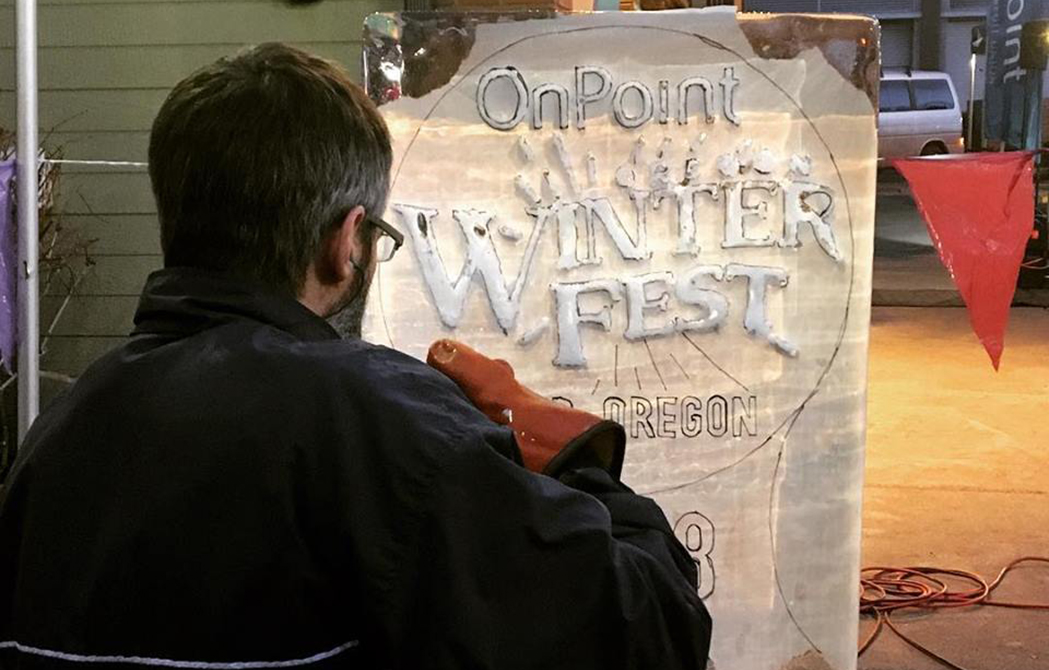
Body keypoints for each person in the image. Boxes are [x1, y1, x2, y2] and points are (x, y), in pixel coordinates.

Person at [0, 44, 711, 669]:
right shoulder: (373, 419)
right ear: (346, 242)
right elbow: (649, 627)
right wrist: (556, 446)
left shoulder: (59, 431)